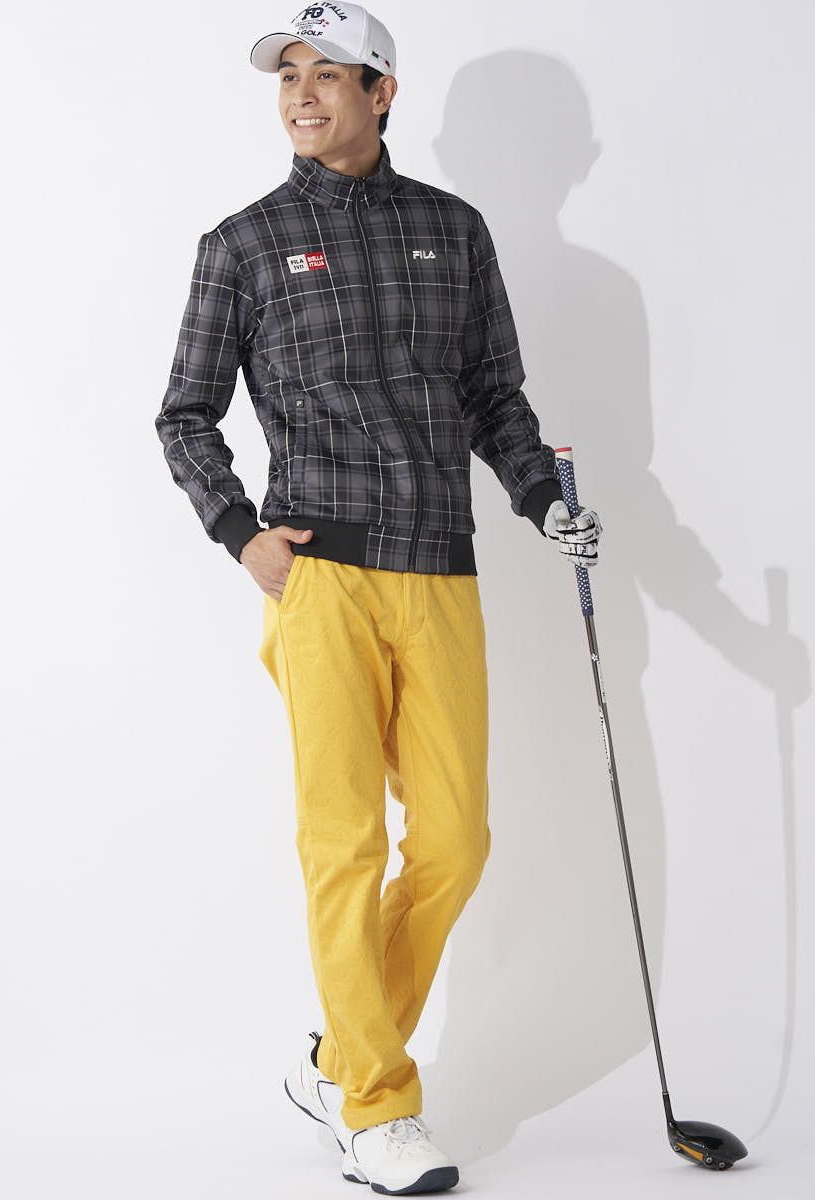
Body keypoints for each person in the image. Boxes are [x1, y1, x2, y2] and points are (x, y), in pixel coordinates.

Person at [155, 5, 602, 1193]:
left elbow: (494, 398)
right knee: (344, 843)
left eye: (328, 74)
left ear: (382, 91)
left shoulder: (454, 231)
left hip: (439, 570)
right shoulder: (244, 244)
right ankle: (377, 1108)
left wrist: (542, 501)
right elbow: (184, 414)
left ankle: (341, 1060)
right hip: (322, 581)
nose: (302, 95)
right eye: (287, 78)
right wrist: (240, 534)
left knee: (455, 840)